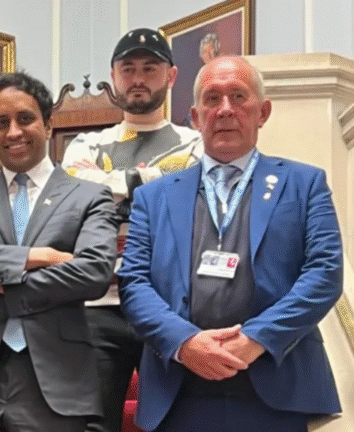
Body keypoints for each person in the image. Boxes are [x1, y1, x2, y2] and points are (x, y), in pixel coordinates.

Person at [119, 56, 342, 432]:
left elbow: (324, 274)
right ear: (195, 116)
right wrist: (185, 343)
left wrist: (256, 338)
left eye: (238, 96)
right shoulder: (152, 197)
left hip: (275, 387)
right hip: (180, 388)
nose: (224, 110)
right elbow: (134, 283)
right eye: (212, 99)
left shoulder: (305, 184)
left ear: (262, 112)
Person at [0, 71, 118, 431]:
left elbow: (93, 273)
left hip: (58, 384)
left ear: (48, 124)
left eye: (25, 118)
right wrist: (40, 257)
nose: (13, 131)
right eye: (1, 123)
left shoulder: (90, 197)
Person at [61, 27, 202, 432]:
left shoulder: (195, 145)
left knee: (180, 422)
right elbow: (74, 192)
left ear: (171, 76)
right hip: (96, 304)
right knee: (90, 424)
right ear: (114, 76)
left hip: (168, 302)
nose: (138, 78)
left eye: (149, 68)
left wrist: (108, 184)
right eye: (128, 69)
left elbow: (189, 196)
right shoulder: (84, 144)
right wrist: (155, 182)